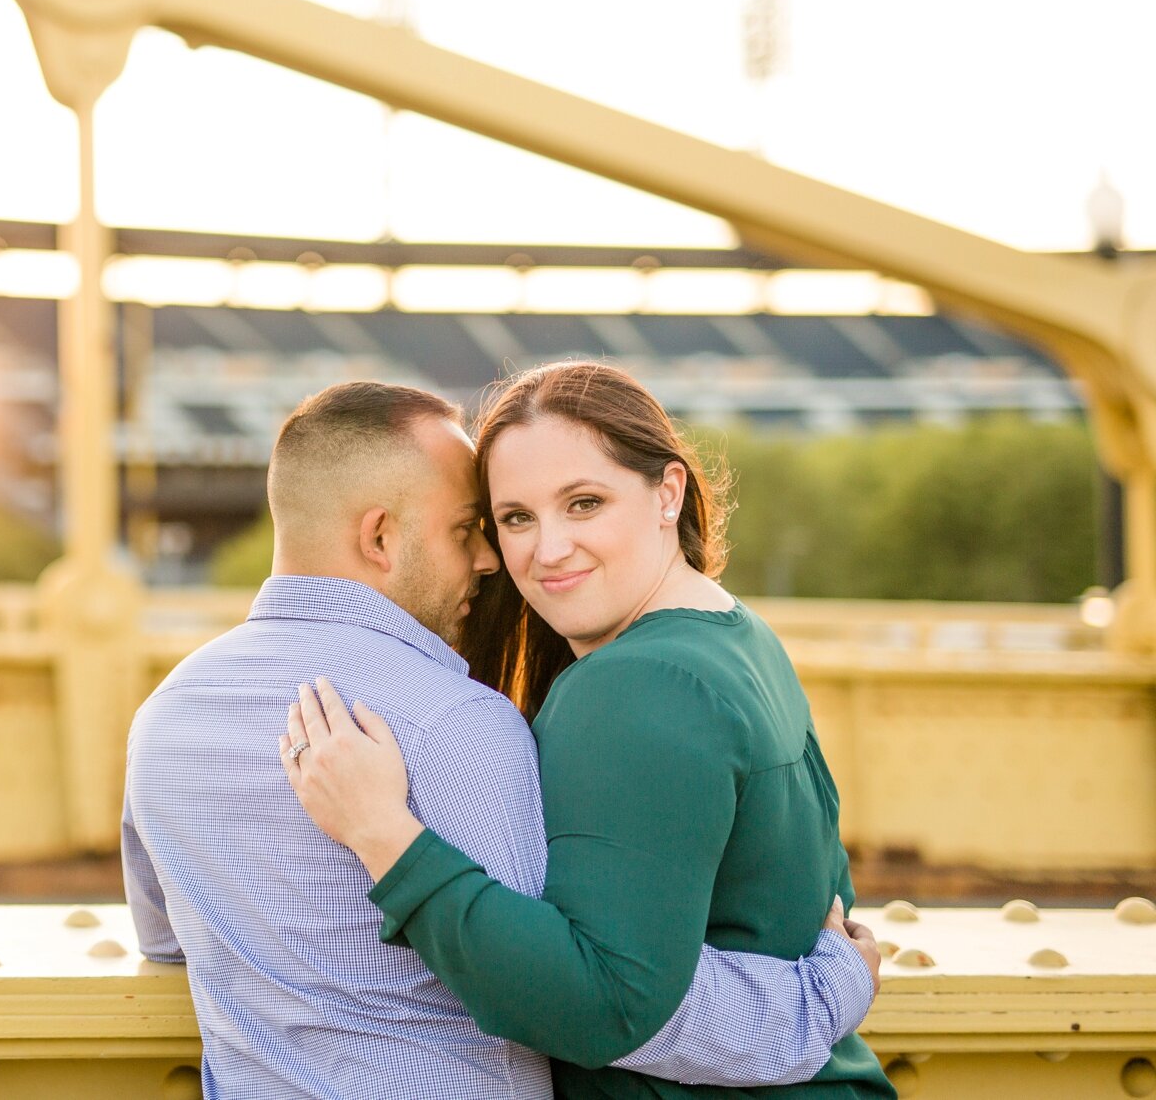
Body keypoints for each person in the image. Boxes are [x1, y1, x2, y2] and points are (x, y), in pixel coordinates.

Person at [125, 380, 880, 1099]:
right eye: (480, 526)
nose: (500, 559)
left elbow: (168, 946)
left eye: (582, 503)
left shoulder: (162, 719)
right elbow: (602, 996)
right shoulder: (461, 725)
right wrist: (827, 989)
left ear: (669, 493)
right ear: (381, 537)